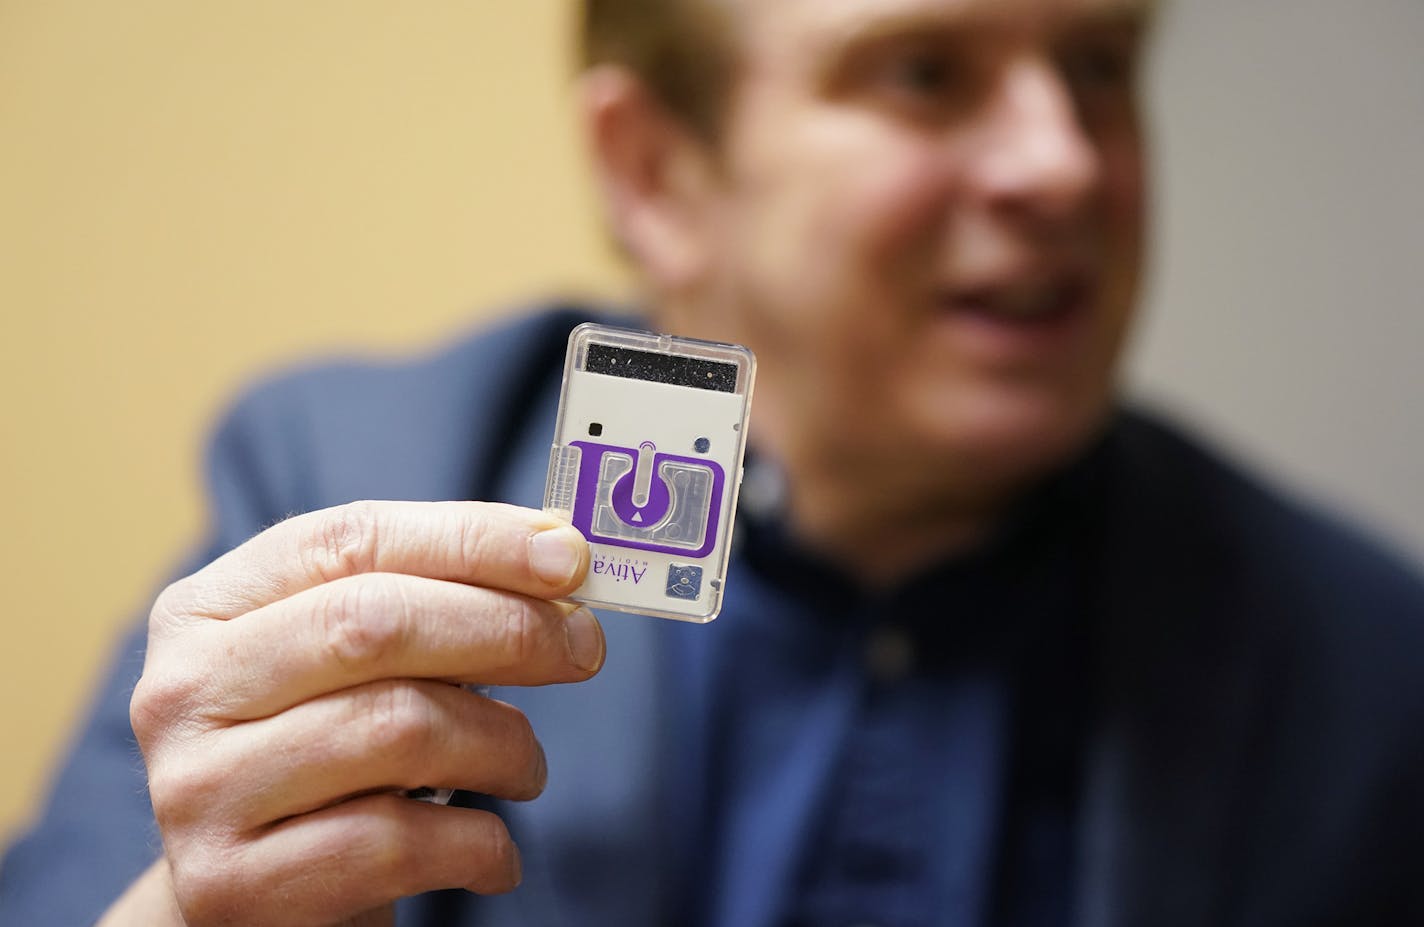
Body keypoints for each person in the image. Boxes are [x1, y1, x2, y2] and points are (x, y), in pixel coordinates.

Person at [4, 0, 1424, 923]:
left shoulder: (1365, 656)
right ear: (655, 175)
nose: (1064, 166)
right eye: (926, 72)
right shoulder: (342, 481)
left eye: (1099, 67)